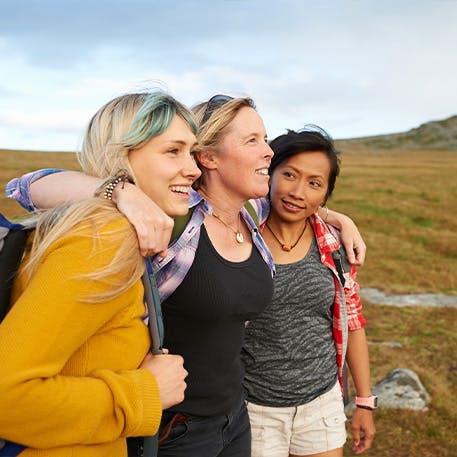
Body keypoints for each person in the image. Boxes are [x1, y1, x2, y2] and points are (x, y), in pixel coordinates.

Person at [6, 95, 366, 457]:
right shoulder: (168, 221)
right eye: (252, 140)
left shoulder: (251, 212)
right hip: (176, 430)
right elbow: (27, 186)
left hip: (234, 416)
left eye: (187, 151)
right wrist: (121, 191)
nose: (269, 150)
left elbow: (295, 200)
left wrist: (337, 219)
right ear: (210, 158)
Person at [0, 90, 199, 457]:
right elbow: (5, 394)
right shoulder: (105, 239)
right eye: (173, 151)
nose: (194, 168)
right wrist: (144, 393)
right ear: (122, 154)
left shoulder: (106, 227)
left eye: (192, 152)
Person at [241, 127, 376, 457]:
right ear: (269, 174)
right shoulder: (238, 235)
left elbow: (353, 323)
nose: (298, 192)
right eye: (289, 175)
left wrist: (364, 402)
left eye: (314, 183)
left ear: (325, 194)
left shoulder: (334, 245)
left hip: (322, 404)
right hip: (253, 408)